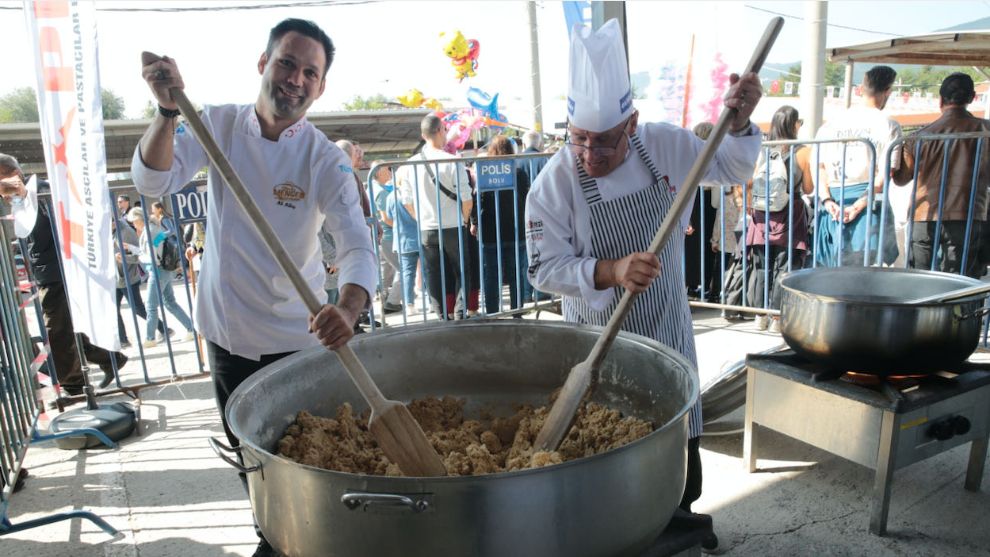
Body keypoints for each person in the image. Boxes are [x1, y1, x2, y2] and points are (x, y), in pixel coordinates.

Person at [132, 18, 377, 557]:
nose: (295, 79)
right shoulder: (214, 124)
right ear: (263, 64)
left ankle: (296, 543)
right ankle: (273, 538)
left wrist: (350, 306)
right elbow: (151, 182)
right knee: (254, 468)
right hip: (227, 335)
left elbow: (357, 242)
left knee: (308, 464)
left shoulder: (324, 157)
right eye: (287, 63)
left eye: (310, 72)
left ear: (320, 87)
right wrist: (168, 111)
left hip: (299, 343)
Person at [524, 19, 762, 537]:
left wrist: (740, 124)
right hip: (599, 338)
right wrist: (610, 271)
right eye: (579, 140)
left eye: (604, 142)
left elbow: (734, 169)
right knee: (608, 440)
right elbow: (543, 269)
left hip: (667, 324)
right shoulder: (554, 184)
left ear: (630, 124)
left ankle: (679, 518)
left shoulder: (666, 145)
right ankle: (613, 530)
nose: (590, 156)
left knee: (678, 434)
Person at [0, 154, 127, 395]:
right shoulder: (24, 197)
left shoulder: (43, 192)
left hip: (58, 271)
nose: (3, 196)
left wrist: (26, 197)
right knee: (68, 326)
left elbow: (63, 225)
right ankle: (107, 359)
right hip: (49, 270)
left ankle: (72, 381)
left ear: (11, 175)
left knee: (57, 328)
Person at [892, 72, 990, 278]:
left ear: (940, 99)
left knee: (919, 279)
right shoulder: (985, 131)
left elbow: (900, 179)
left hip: (923, 215)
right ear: (972, 98)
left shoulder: (918, 137)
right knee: (960, 283)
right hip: (968, 214)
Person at [813, 65, 902, 268]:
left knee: (831, 276)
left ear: (861, 88)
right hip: (867, 205)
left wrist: (827, 201)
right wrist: (857, 206)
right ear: (888, 91)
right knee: (865, 280)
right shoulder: (888, 125)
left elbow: (818, 167)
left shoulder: (831, 124)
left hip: (832, 205)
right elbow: (885, 175)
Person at [396, 114, 473, 319]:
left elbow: (406, 200)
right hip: (453, 225)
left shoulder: (410, 165)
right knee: (462, 271)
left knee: (433, 274)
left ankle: (441, 315)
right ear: (441, 131)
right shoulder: (452, 161)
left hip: (427, 227)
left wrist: (420, 218)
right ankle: (459, 312)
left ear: (423, 135)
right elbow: (466, 198)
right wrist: (464, 219)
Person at [744, 106, 814, 332]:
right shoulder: (801, 151)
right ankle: (777, 318)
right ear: (794, 124)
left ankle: (760, 315)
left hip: (762, 213)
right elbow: (808, 187)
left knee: (761, 265)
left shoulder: (762, 149)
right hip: (789, 213)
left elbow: (750, 182)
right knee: (785, 266)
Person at [477, 135, 532, 314]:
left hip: (490, 231)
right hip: (515, 230)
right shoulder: (519, 174)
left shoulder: (485, 173)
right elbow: (527, 200)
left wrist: (474, 223)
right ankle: (516, 310)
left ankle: (492, 312)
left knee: (491, 274)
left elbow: (479, 200)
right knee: (516, 272)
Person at [126, 208, 195, 347]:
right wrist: (132, 249)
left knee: (151, 306)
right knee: (170, 302)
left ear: (139, 219)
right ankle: (191, 329)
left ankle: (150, 339)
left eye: (133, 222)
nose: (133, 225)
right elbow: (154, 252)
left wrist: (134, 257)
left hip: (157, 271)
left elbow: (151, 256)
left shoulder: (149, 231)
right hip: (164, 270)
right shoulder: (153, 229)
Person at [112, 214, 166, 348]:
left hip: (128, 277)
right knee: (114, 309)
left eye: (135, 222)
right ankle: (123, 339)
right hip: (116, 278)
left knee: (139, 308)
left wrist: (123, 258)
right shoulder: (112, 232)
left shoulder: (127, 232)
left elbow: (139, 256)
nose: (134, 226)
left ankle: (163, 328)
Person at [370, 161, 403, 314]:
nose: (389, 171)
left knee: (387, 270)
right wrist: (399, 225)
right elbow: (386, 218)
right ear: (378, 172)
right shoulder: (381, 192)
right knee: (403, 270)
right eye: (386, 169)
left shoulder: (373, 188)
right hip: (388, 235)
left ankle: (384, 300)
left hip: (380, 237)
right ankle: (392, 302)